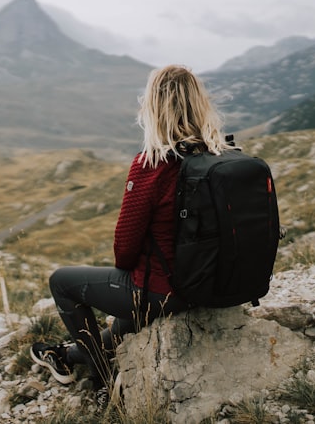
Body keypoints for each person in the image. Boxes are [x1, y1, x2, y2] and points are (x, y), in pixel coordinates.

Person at [30, 64, 230, 408]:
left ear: (154, 107)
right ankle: (62, 355)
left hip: (167, 292)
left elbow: (124, 250)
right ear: (200, 103)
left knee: (62, 282)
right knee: (123, 323)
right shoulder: (220, 158)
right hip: (214, 286)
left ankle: (104, 384)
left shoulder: (153, 164)